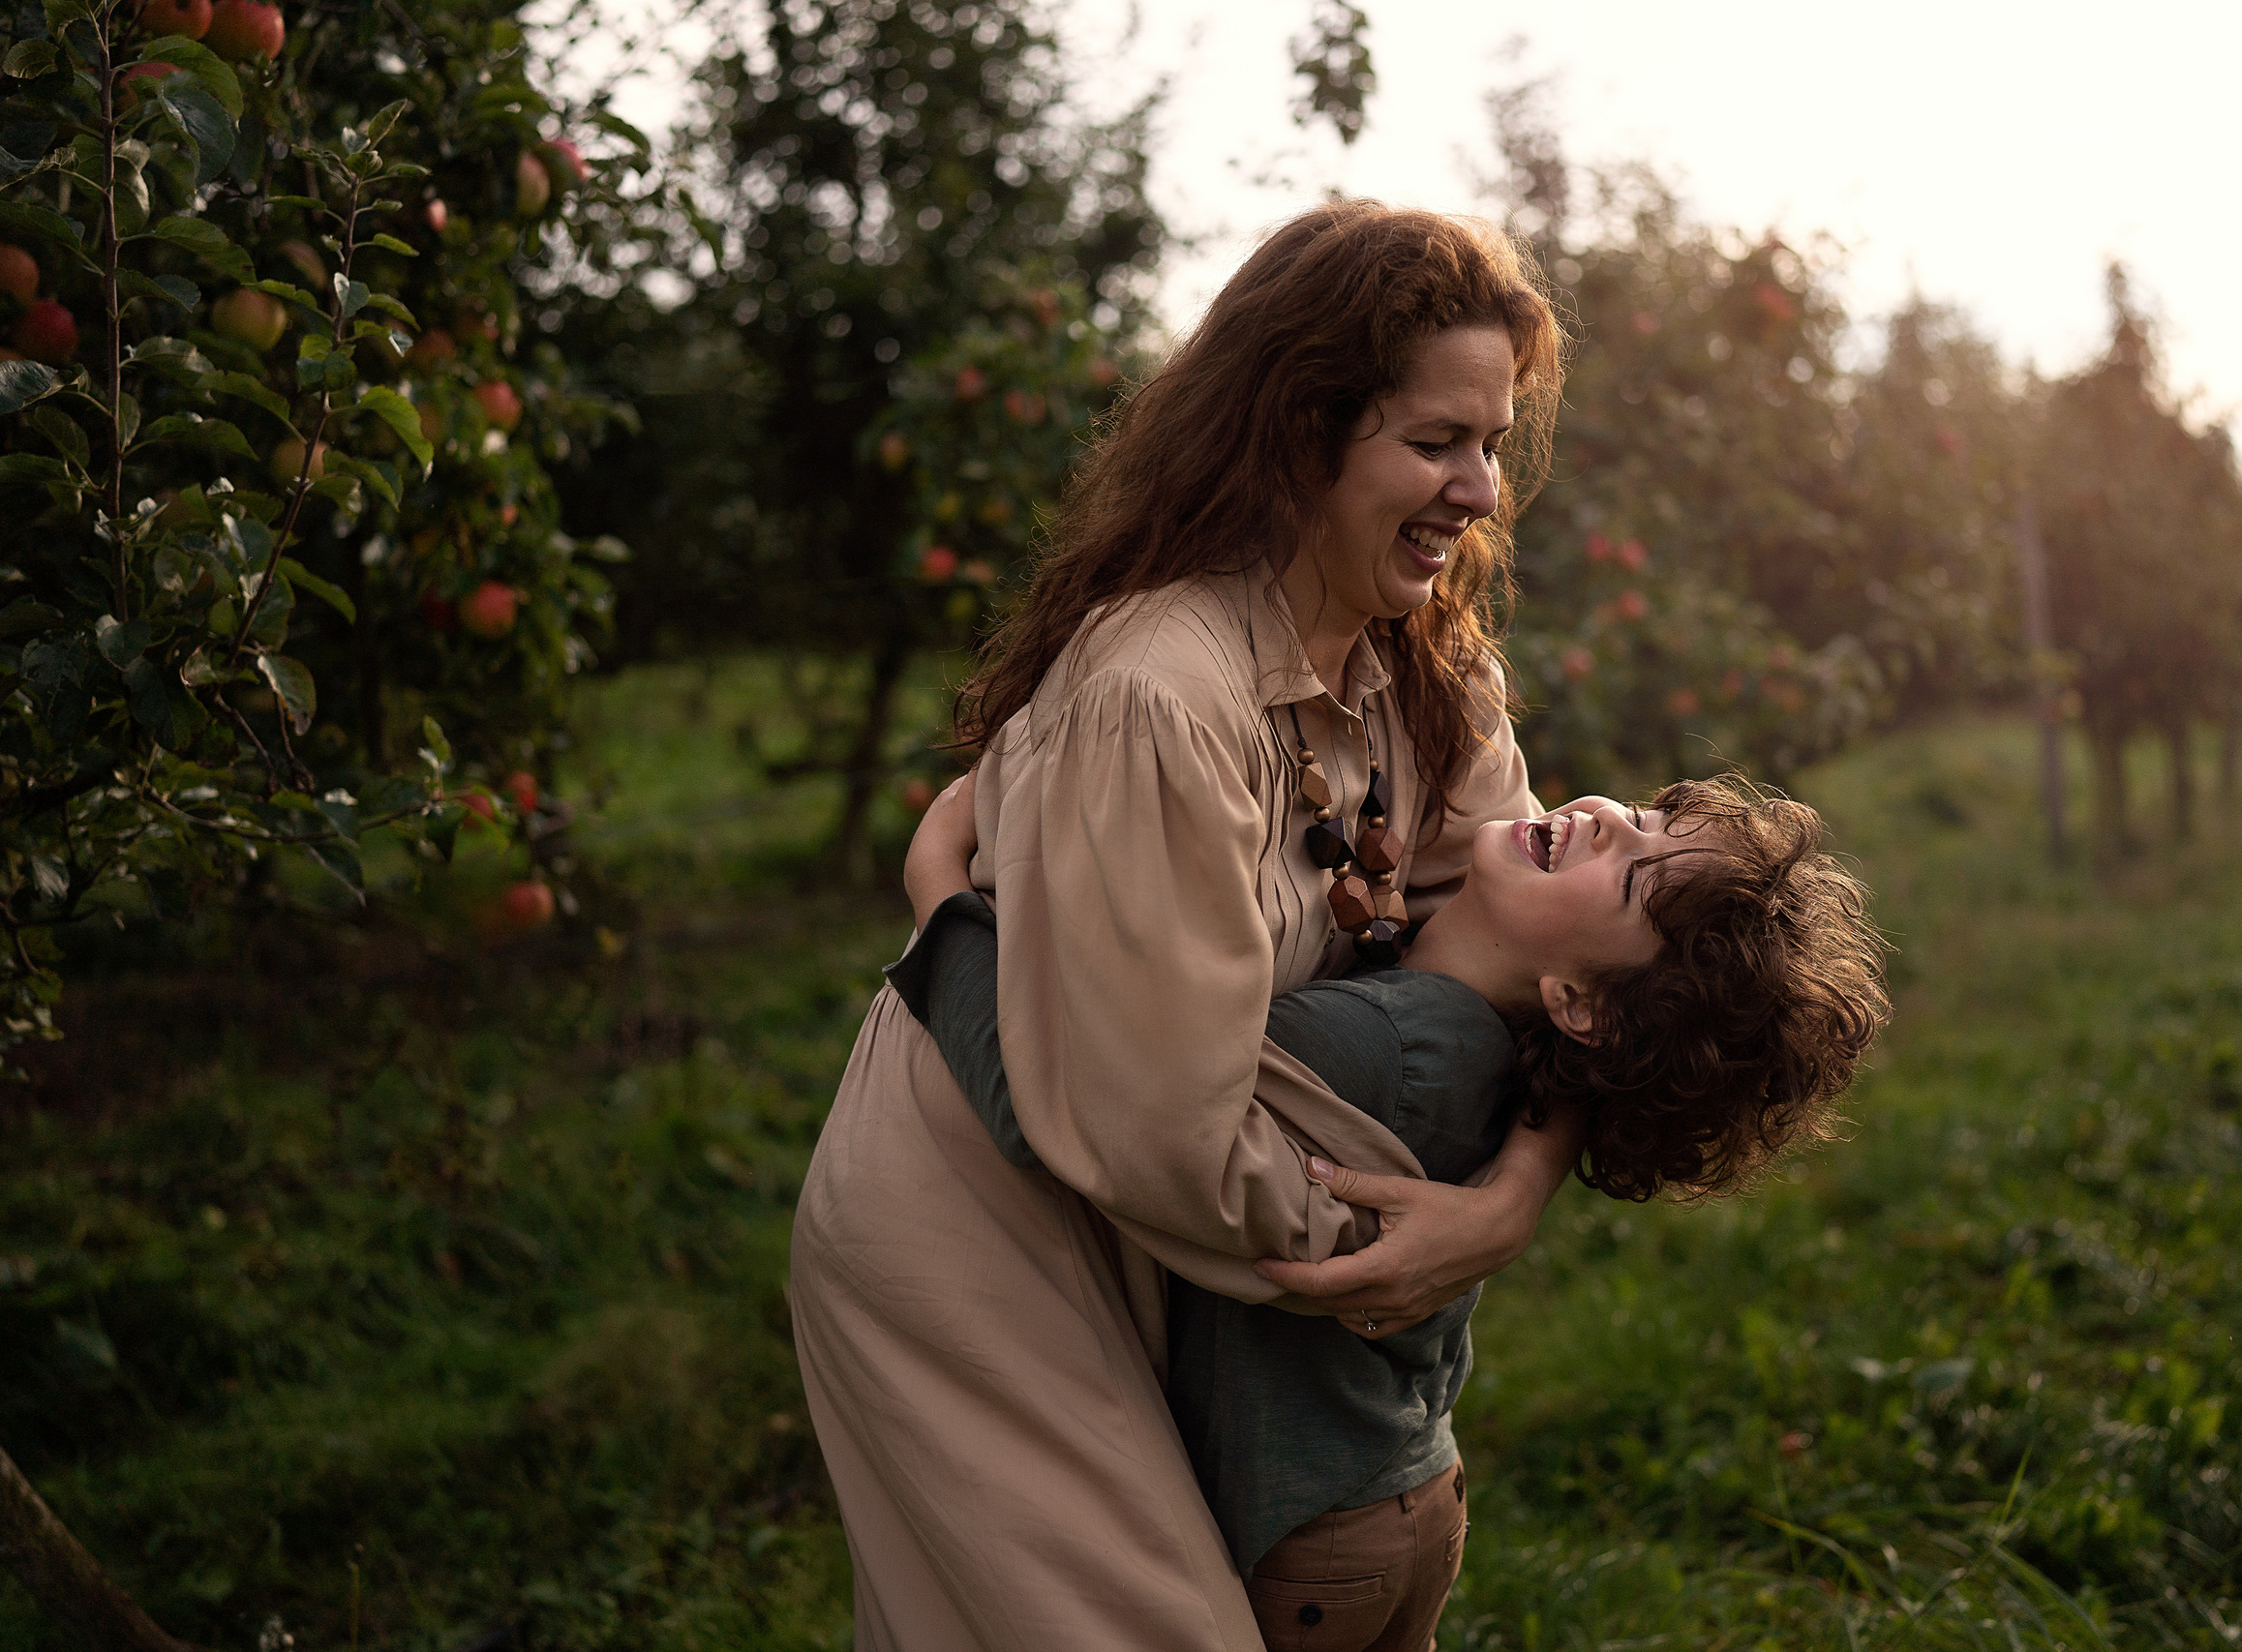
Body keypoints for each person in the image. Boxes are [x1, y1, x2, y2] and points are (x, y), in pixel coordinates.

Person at [788, 202, 1578, 1649]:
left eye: (1490, 442)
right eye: (1434, 441)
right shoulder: (1162, 694)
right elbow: (1165, 1136)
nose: (1478, 488)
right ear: (1298, 431)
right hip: (981, 1226)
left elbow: (1550, 963)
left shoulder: (1431, 683)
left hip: (1151, 1227)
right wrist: (1386, 1240)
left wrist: (1509, 1194)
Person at [889, 770, 1889, 1648]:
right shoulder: (1508, 1041)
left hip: (1307, 1536)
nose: (1599, 819)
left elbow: (1076, 1105)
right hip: (1394, 1501)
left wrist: (939, 881)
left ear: (1579, 1004)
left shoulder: (1383, 1045)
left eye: (1631, 875)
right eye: (1644, 813)